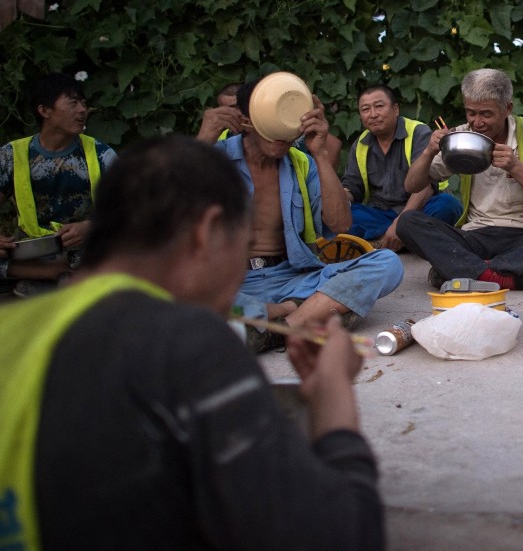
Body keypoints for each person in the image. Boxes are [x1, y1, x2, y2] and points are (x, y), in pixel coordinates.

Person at [0, 136, 383, 550]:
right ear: (207, 232)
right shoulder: (187, 342)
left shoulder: (11, 325)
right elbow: (346, 536)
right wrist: (333, 396)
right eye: (241, 247)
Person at [218, 77, 403, 350]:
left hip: (293, 277)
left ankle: (279, 328)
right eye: (272, 125)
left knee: (388, 263)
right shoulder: (214, 158)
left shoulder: (301, 162)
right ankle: (302, 313)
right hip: (234, 284)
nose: (284, 136)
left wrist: (319, 153)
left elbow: (340, 223)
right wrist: (203, 138)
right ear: (246, 121)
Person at [396, 68, 523, 291]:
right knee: (408, 222)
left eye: (486, 114)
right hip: (475, 237)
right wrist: (428, 152)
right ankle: (508, 277)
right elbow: (412, 185)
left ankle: (464, 272)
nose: (477, 122)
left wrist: (515, 166)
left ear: (507, 108)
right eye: (470, 113)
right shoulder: (461, 137)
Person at [0, 73, 116, 297]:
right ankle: (56, 273)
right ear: (45, 111)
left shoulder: (101, 153)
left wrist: (91, 226)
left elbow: (131, 208)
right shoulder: (11, 155)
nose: (82, 110)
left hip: (89, 249)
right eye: (73, 103)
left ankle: (60, 276)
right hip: (32, 253)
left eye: (83, 103)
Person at [341, 85, 461, 251]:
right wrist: (339, 200)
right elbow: (352, 186)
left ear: (395, 109)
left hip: (419, 210)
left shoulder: (418, 132)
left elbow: (424, 187)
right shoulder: (360, 144)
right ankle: (411, 241)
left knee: (448, 205)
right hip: (382, 215)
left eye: (379, 106)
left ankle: (385, 241)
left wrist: (400, 225)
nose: (373, 114)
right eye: (365, 109)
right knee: (345, 216)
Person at [197, 80, 343, 169]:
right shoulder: (218, 146)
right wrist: (203, 140)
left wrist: (320, 157)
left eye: (237, 106)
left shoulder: (301, 159)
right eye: (228, 109)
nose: (236, 114)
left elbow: (337, 218)